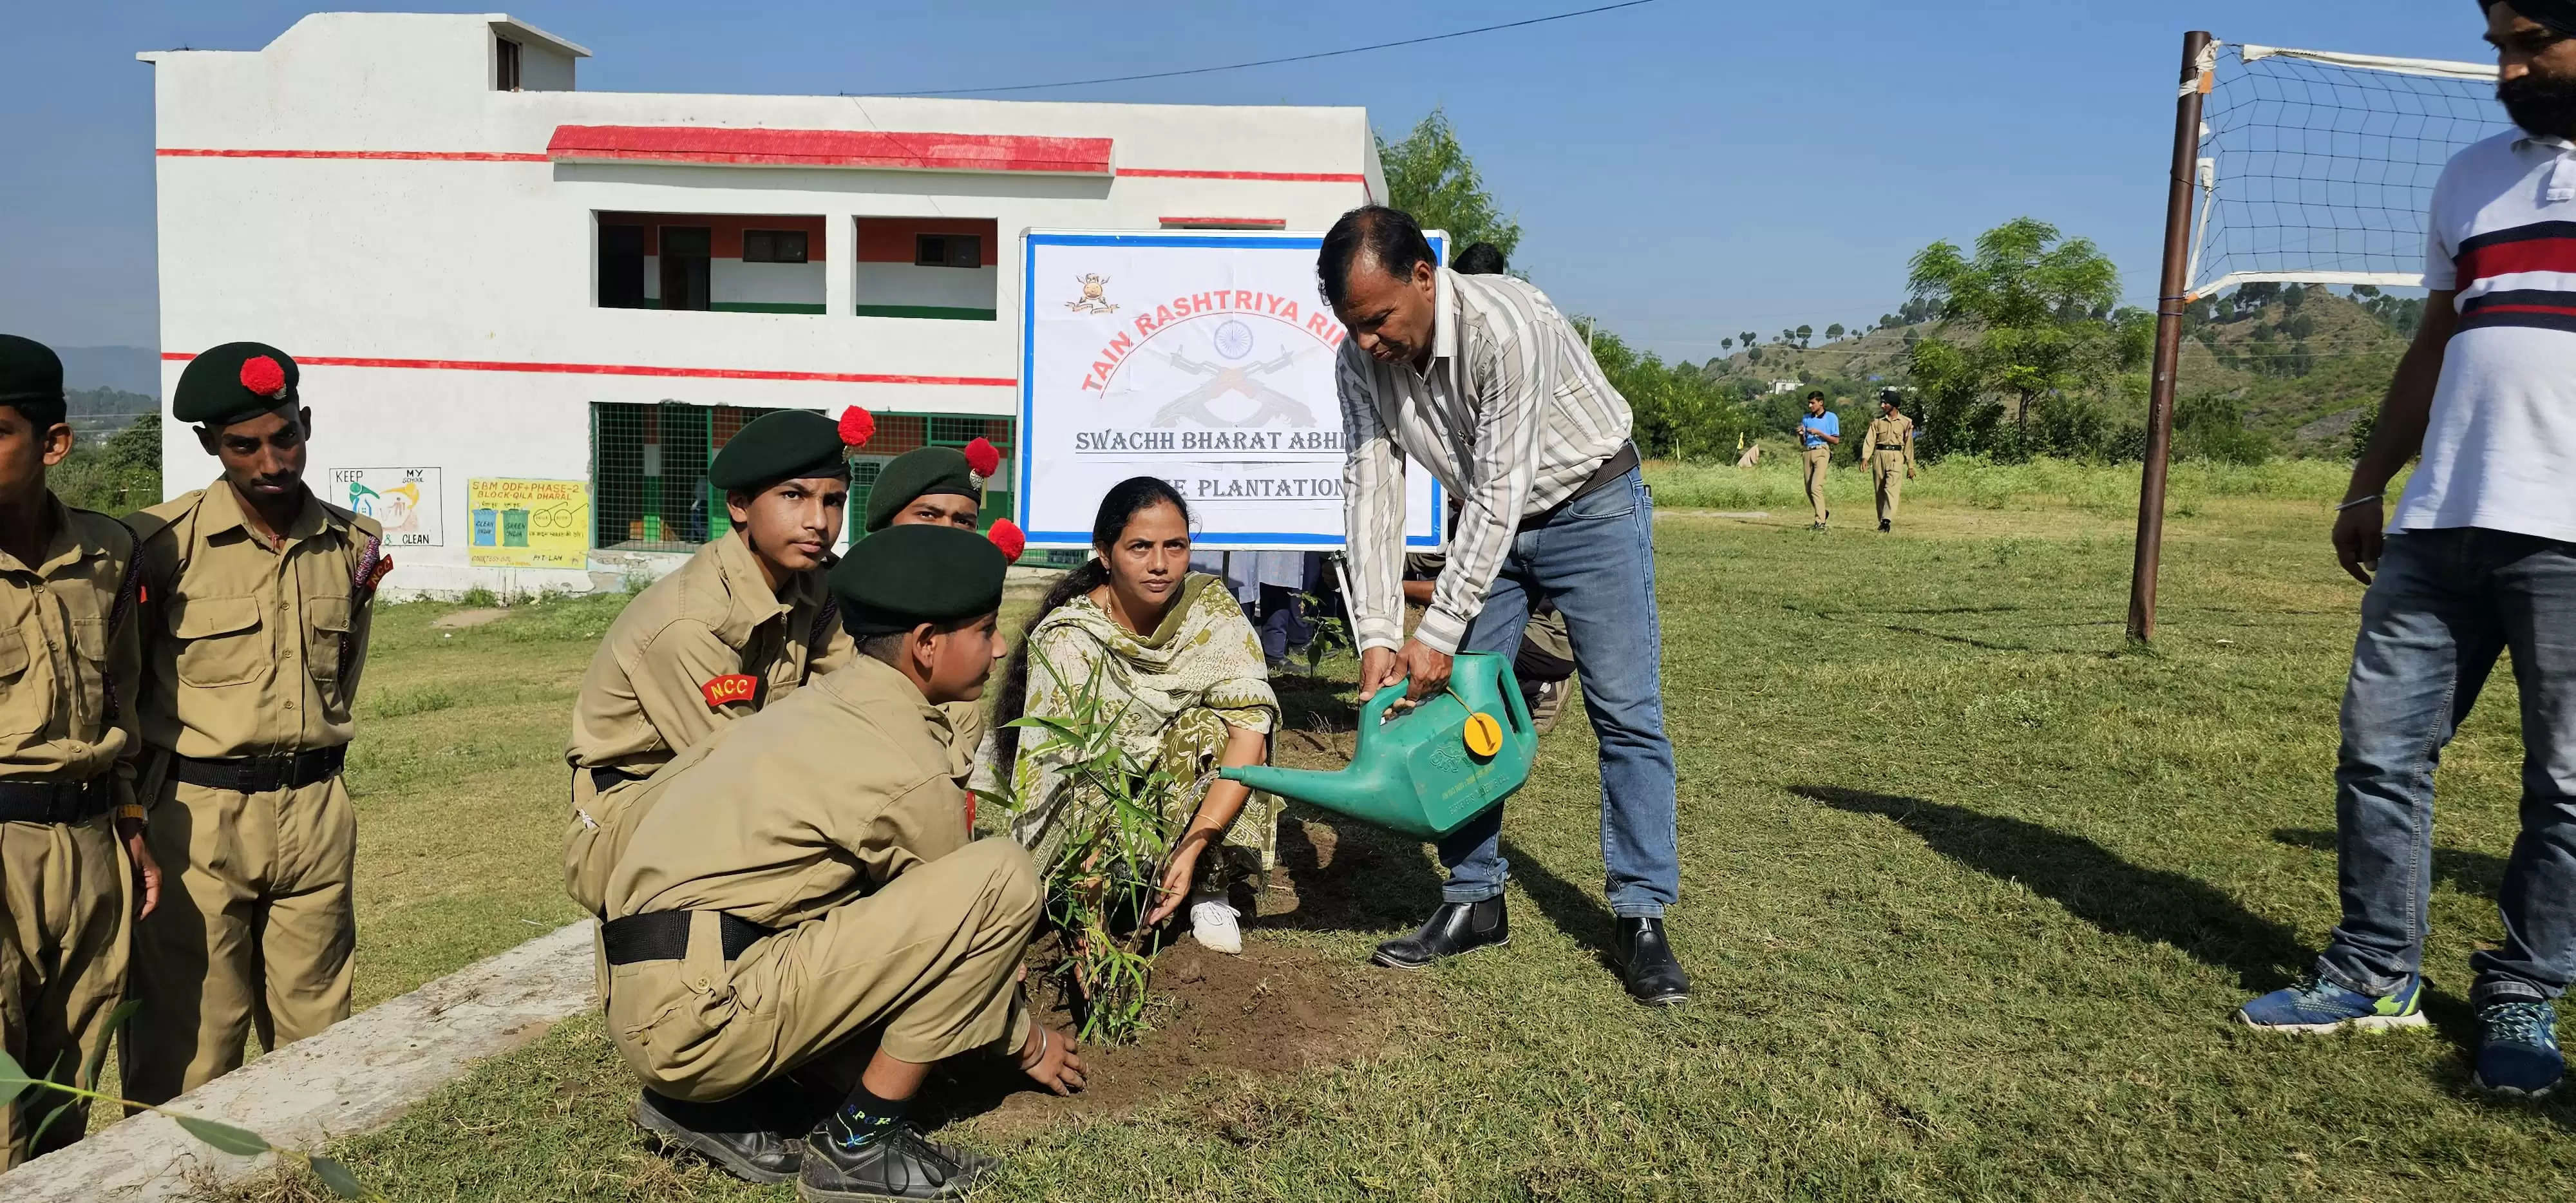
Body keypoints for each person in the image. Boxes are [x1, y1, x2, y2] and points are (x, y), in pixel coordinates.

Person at [2238, 0, 2576, 1100]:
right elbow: (2436, 341)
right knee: (2381, 755)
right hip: (2439, 526)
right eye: (2500, 48)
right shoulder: (2474, 175)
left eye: (2533, 44)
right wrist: (2367, 480)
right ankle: (2375, 970)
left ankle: (2523, 989)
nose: (2510, 69)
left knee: (2566, 787)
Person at [604, 524, 1080, 1198]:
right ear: (925, 645)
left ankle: (705, 1101)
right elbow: (960, 928)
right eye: (984, 627)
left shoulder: (822, 704)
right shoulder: (905, 762)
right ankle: (859, 1142)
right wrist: (1027, 1041)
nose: (1000, 645)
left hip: (650, 994)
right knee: (1002, 875)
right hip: (701, 1018)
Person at [1321, 204, 1689, 1006]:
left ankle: (1641, 914)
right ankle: (1474, 898)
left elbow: (1503, 485)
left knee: (1625, 710)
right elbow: (1371, 489)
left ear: (1425, 276)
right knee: (1456, 712)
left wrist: (1439, 628)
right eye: (1352, 325)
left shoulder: (1509, 322)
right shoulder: (1357, 361)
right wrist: (1381, 632)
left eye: (1379, 320)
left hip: (1590, 502)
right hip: (1488, 523)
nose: (1367, 343)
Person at [122, 343, 390, 1106]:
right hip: (196, 815)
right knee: (192, 1043)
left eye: (285, 437)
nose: (271, 461)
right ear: (211, 444)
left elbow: (342, 678)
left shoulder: (353, 544)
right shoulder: (156, 546)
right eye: (244, 445)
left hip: (316, 807)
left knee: (319, 1038)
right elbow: (125, 691)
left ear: (306, 424)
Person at [562, 407, 862, 916]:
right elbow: (740, 774)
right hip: (629, 822)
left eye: (833, 501)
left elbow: (854, 704)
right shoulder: (692, 623)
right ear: (740, 506)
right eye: (794, 496)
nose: (819, 521)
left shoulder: (815, 584)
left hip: (726, 791)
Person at [983, 477, 1278, 956]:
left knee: (1208, 728)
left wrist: (1192, 850)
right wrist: (1091, 926)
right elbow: (1060, 771)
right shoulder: (1071, 637)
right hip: (1102, 827)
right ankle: (1091, 896)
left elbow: (1250, 737)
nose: (1160, 565)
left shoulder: (1210, 611)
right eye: (1140, 547)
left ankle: (1209, 888)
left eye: (1175, 546)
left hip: (1188, 817)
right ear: (1105, 553)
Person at [0, 335, 156, 1167]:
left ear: (54, 444)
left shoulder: (107, 553)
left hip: (92, 844)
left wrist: (129, 817)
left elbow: (117, 697)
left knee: (70, 1088)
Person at [857, 426, 1016, 758]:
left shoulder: (963, 611)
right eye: (928, 515)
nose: (947, 535)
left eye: (964, 522)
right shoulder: (846, 600)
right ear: (889, 523)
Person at [1403, 551, 1575, 735]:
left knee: (1452, 641)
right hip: (1541, 634)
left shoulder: (1476, 536)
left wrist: (1395, 588)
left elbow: (1455, 594)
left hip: (1551, 644)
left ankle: (1540, 686)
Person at [1861, 390, 1917, 533]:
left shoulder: (1906, 423)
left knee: (1892, 488)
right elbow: (1870, 440)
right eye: (1882, 402)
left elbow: (1909, 445)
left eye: (1886, 403)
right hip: (1879, 455)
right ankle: (1882, 520)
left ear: (1894, 405)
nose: (1882, 405)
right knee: (1880, 489)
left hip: (1896, 456)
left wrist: (1910, 466)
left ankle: (1887, 519)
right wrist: (1865, 458)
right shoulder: (1878, 422)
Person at [1797, 391, 1841, 531]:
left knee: (1816, 486)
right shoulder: (1806, 418)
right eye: (1809, 403)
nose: (1810, 406)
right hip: (1808, 452)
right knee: (1809, 489)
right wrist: (1801, 435)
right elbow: (1803, 442)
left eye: (1813, 403)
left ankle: (1820, 522)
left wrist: (1820, 433)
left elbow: (1836, 440)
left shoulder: (1831, 417)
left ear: (1821, 403)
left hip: (1822, 451)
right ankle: (1822, 511)